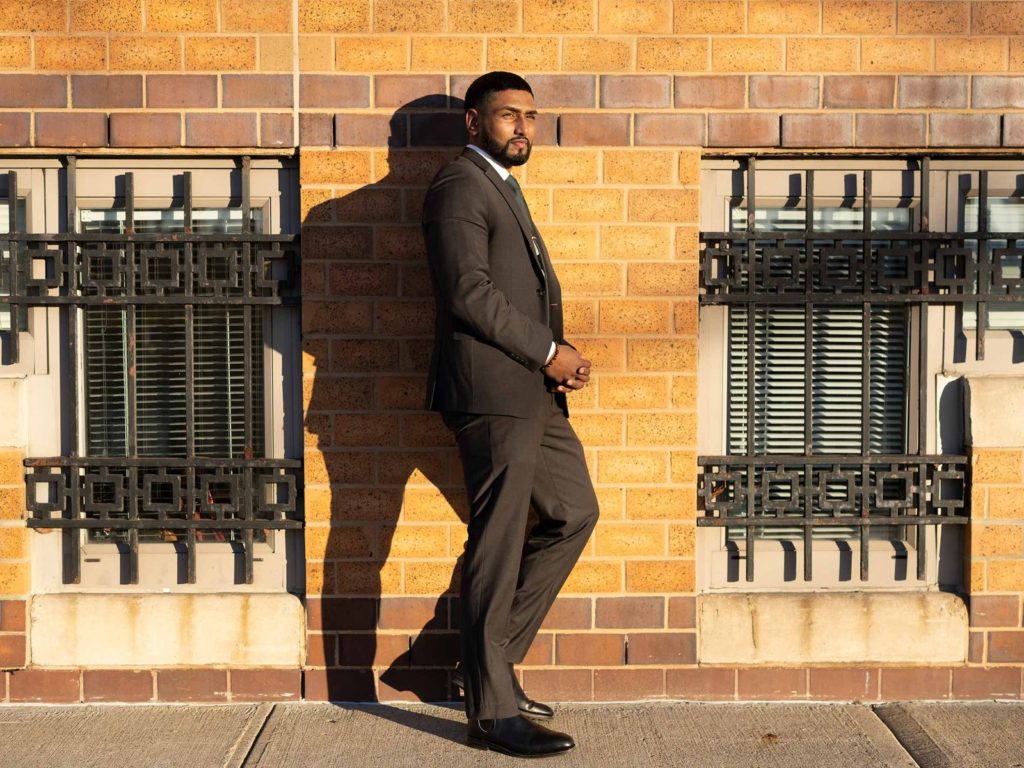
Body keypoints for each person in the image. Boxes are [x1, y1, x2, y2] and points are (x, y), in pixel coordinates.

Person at [422, 71, 600, 758]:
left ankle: (487, 664)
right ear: (474, 122)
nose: (523, 127)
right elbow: (467, 292)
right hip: (493, 395)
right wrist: (549, 349)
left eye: (530, 115)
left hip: (531, 392)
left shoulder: (499, 182)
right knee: (495, 543)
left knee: (573, 511)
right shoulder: (460, 185)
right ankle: (492, 710)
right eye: (506, 116)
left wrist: (555, 361)